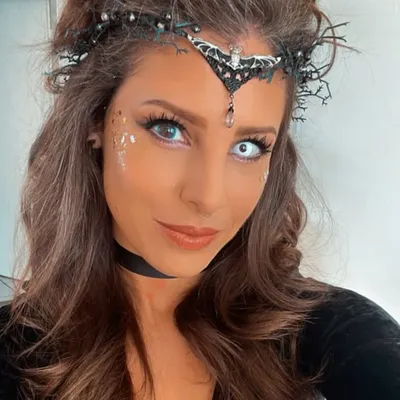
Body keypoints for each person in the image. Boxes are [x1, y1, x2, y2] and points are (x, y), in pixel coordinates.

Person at [1, 0, 399, 399]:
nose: (208, 198)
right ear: (95, 120)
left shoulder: (331, 333)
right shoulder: (13, 354)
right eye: (169, 129)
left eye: (248, 146)